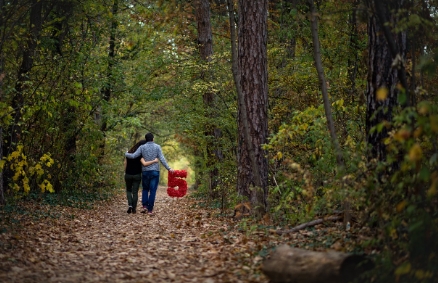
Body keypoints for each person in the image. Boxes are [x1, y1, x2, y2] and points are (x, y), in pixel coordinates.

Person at [125, 133, 173, 216]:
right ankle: (150, 210)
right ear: (153, 139)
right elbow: (162, 158)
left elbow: (133, 156)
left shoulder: (142, 147)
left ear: (146, 139)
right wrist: (169, 168)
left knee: (145, 189)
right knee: (153, 191)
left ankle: (144, 206)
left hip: (145, 172)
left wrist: (126, 153)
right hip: (155, 171)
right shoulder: (157, 147)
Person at [124, 140, 158, 214]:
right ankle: (134, 209)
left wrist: (125, 172)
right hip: (137, 175)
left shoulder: (128, 153)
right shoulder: (140, 155)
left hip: (128, 174)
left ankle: (130, 205)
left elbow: (125, 164)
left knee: (128, 190)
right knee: (135, 192)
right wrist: (154, 161)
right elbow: (145, 164)